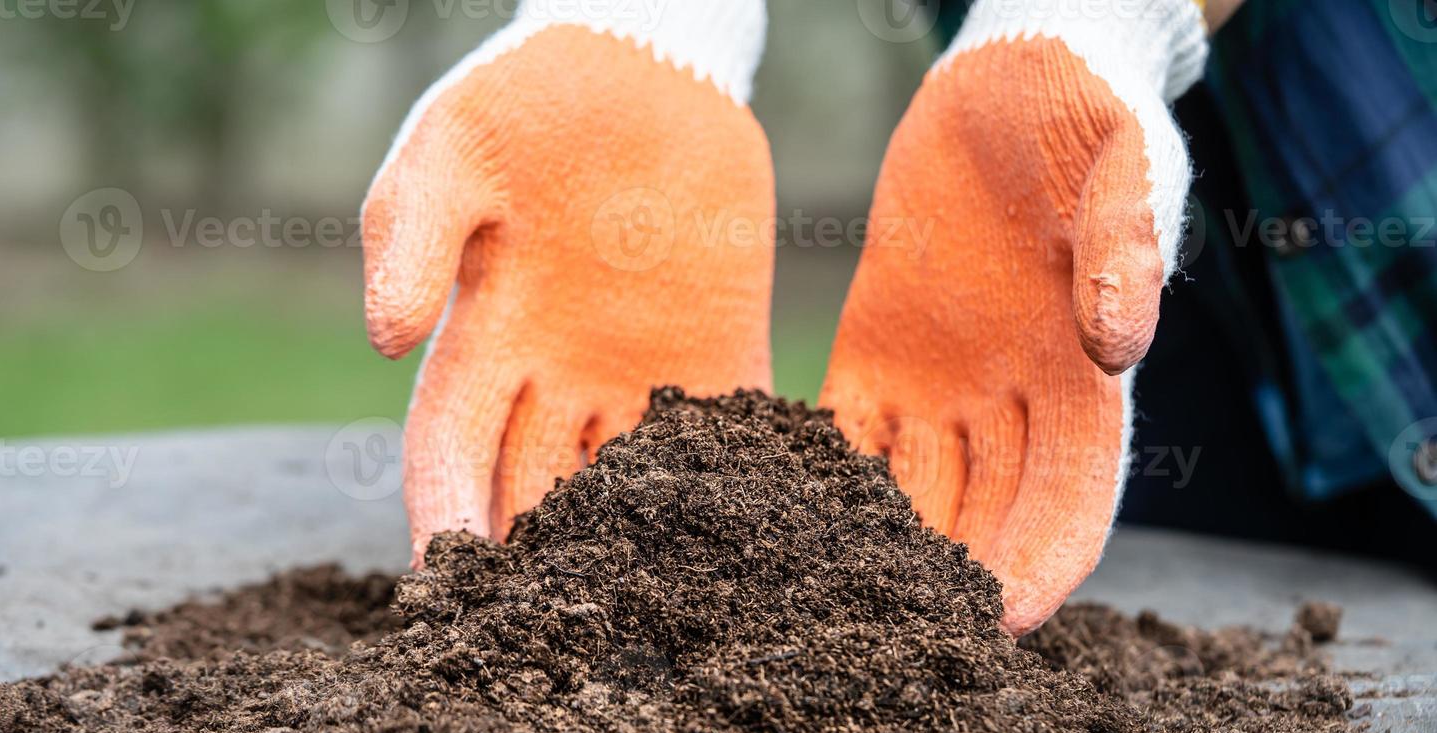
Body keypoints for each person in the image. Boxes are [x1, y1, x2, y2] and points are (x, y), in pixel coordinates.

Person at [360, 0, 1436, 637]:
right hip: (1163, 285)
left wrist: (1097, 15)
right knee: (1054, 535)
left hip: (1392, 133)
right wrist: (646, 28)